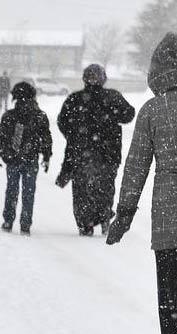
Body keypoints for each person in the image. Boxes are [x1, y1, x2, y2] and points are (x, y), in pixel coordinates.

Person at [106, 32, 177, 334]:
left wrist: (124, 213)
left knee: (171, 308)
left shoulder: (152, 110)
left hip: (168, 227)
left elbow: (135, 168)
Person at [57, 64, 135, 236]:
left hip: (83, 152)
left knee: (82, 190)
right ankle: (103, 216)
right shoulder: (112, 96)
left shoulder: (75, 99)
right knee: (104, 188)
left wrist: (74, 135)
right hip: (108, 152)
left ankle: (86, 222)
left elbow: (62, 121)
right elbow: (129, 114)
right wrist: (112, 116)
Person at [0, 81, 52, 236]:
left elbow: (1, 138)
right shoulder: (39, 116)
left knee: (12, 190)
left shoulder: (10, 116)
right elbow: (46, 138)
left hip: (12, 158)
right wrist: (46, 155)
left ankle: (8, 220)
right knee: (28, 192)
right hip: (30, 159)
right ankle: (25, 223)